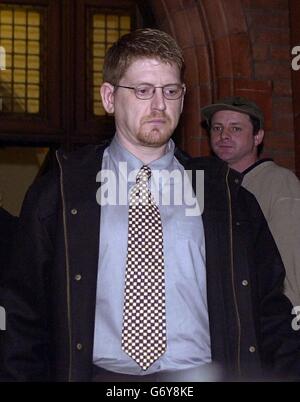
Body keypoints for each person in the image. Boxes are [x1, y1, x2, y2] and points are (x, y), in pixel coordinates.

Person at [2, 29, 300, 382]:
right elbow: (23, 314)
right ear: (110, 97)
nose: (159, 105)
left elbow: (270, 310)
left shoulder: (226, 196)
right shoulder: (63, 192)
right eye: (143, 91)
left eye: (171, 91)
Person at [202, 96, 300, 307]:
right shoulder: (206, 188)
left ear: (257, 137)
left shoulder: (279, 182)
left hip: (269, 316)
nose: (224, 135)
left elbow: (292, 258)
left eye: (235, 129)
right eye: (217, 128)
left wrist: (291, 315)